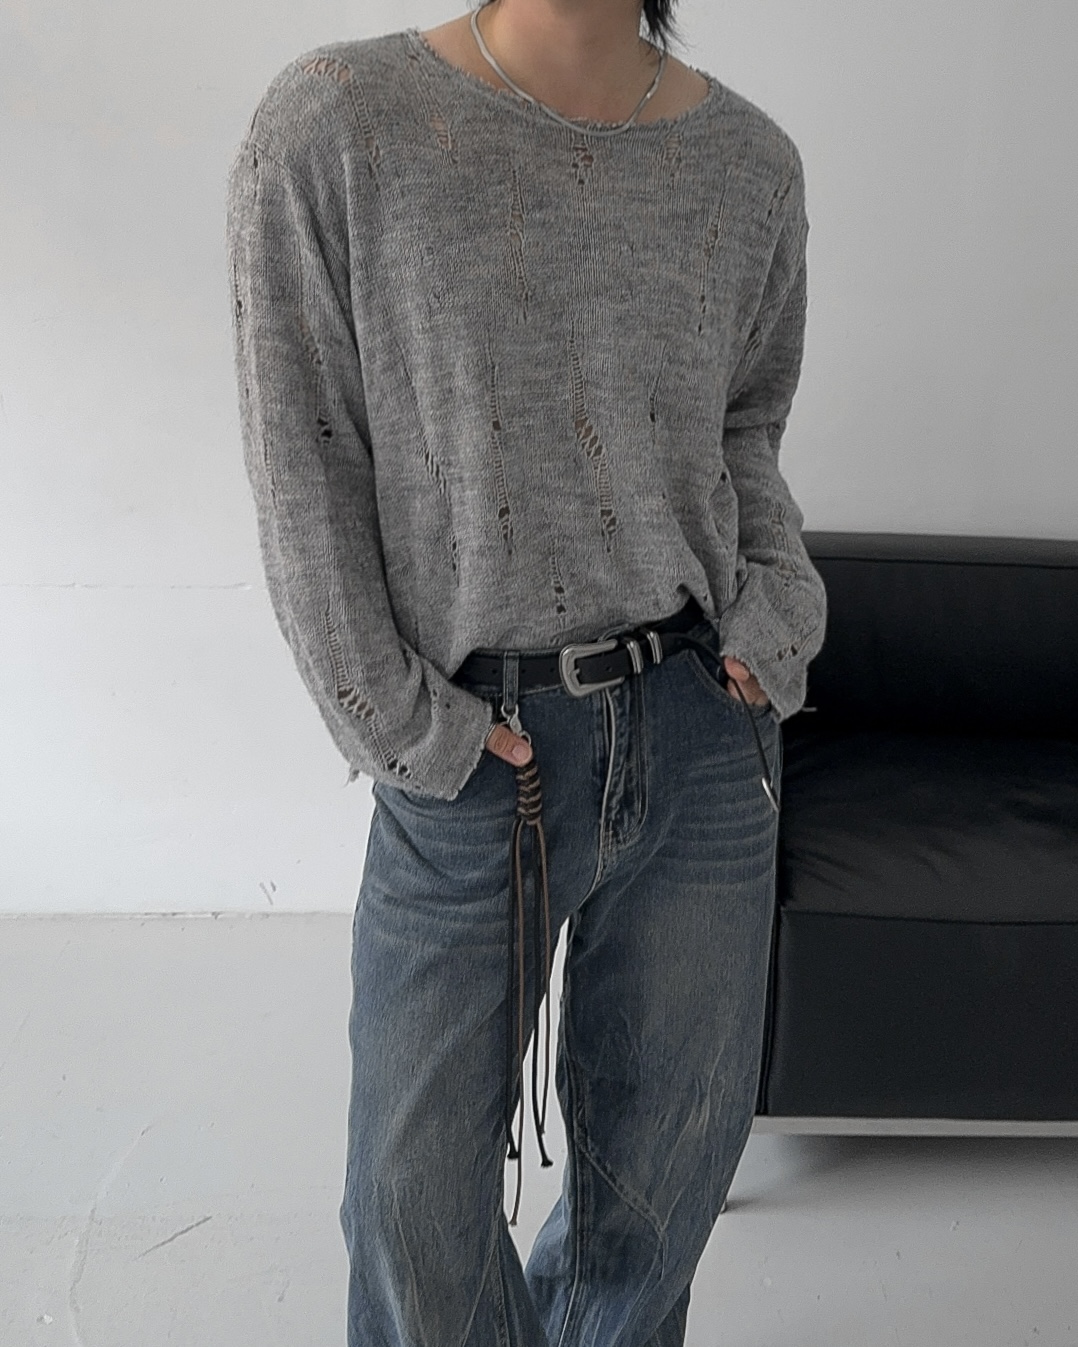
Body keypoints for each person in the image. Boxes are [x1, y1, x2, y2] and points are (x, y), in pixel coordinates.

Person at [226, 0, 827, 1341]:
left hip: (704, 729)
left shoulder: (751, 164)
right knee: (412, 1210)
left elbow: (746, 427)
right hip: (472, 749)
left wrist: (772, 622)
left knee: (663, 1188)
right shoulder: (337, 122)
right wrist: (404, 726)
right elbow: (303, 458)